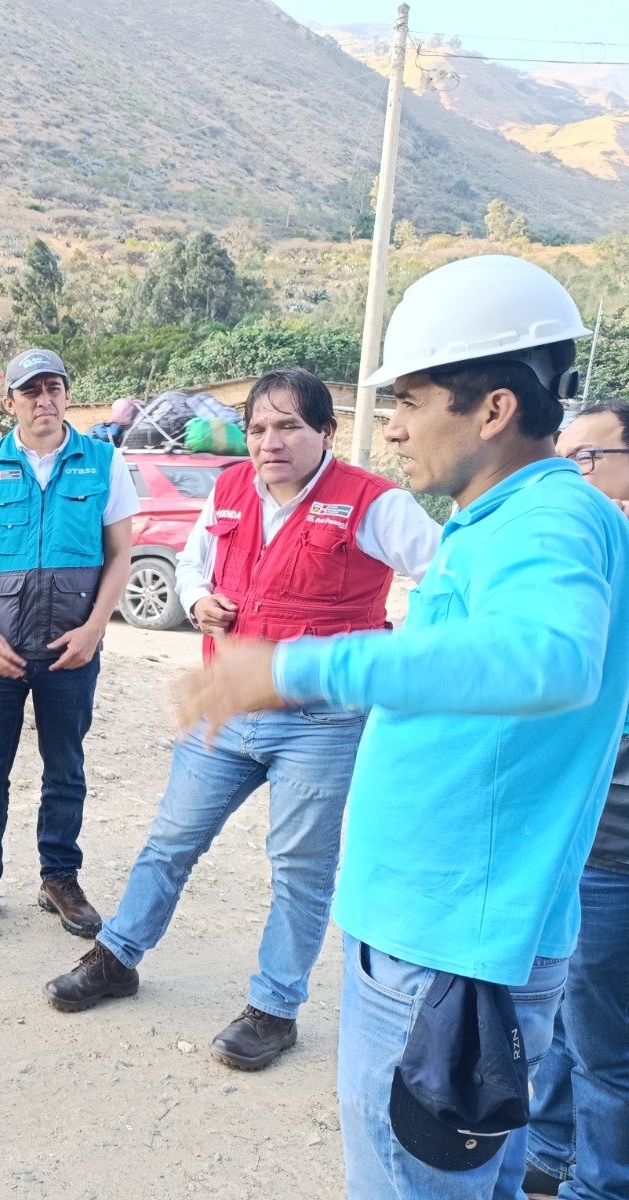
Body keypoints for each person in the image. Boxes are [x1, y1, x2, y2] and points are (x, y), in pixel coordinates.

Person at [175, 256, 629, 1199]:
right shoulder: (506, 519)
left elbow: (549, 659)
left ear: (493, 408)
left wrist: (297, 663)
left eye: (411, 401)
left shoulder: (546, 521)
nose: (390, 427)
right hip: (453, 938)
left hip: (448, 948)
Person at [43, 368, 441, 1071]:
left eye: (288, 426)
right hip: (226, 704)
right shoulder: (229, 489)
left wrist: (393, 659)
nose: (269, 442)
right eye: (258, 428)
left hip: (321, 722)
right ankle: (117, 958)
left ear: (326, 431)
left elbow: (447, 581)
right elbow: (195, 565)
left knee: (299, 869)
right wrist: (199, 601)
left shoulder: (373, 503)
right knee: (170, 840)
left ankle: (274, 1008)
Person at [0, 348, 137, 937]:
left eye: (54, 388)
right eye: (31, 391)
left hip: (71, 646)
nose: (44, 400)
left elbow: (121, 553)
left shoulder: (102, 462)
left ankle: (59, 877)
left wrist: (96, 628)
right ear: (10, 402)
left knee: (65, 768)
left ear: (66, 395)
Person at [524, 398, 629, 1200]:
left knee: (606, 1051)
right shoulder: (582, 557)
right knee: (563, 1021)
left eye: (587, 458)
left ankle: (599, 1184)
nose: (572, 475)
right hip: (570, 838)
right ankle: (551, 1155)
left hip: (615, 850)